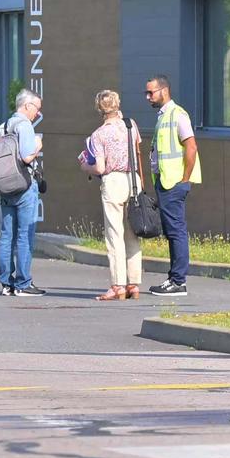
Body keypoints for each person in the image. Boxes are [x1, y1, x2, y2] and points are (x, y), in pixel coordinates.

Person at [142, 73, 201, 297]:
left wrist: (184, 179)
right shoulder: (163, 116)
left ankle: (178, 281)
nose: (148, 97)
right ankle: (174, 279)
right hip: (166, 182)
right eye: (146, 92)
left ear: (164, 91)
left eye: (151, 92)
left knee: (176, 231)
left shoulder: (177, 115)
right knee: (172, 231)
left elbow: (191, 147)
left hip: (174, 183)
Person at [82, 89, 144, 300]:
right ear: (118, 104)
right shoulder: (130, 125)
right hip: (133, 179)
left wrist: (84, 167)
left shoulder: (99, 134)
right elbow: (137, 151)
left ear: (99, 108)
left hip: (114, 181)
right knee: (132, 233)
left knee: (114, 235)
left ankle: (118, 285)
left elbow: (99, 168)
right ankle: (134, 284)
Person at [0, 89, 45, 297]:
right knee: (24, 234)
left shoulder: (2, 127)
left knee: (6, 235)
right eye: (37, 109)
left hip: (5, 187)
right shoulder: (25, 126)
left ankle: (6, 283)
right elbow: (27, 157)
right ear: (27, 106)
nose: (37, 114)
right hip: (24, 186)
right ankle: (23, 283)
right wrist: (38, 146)